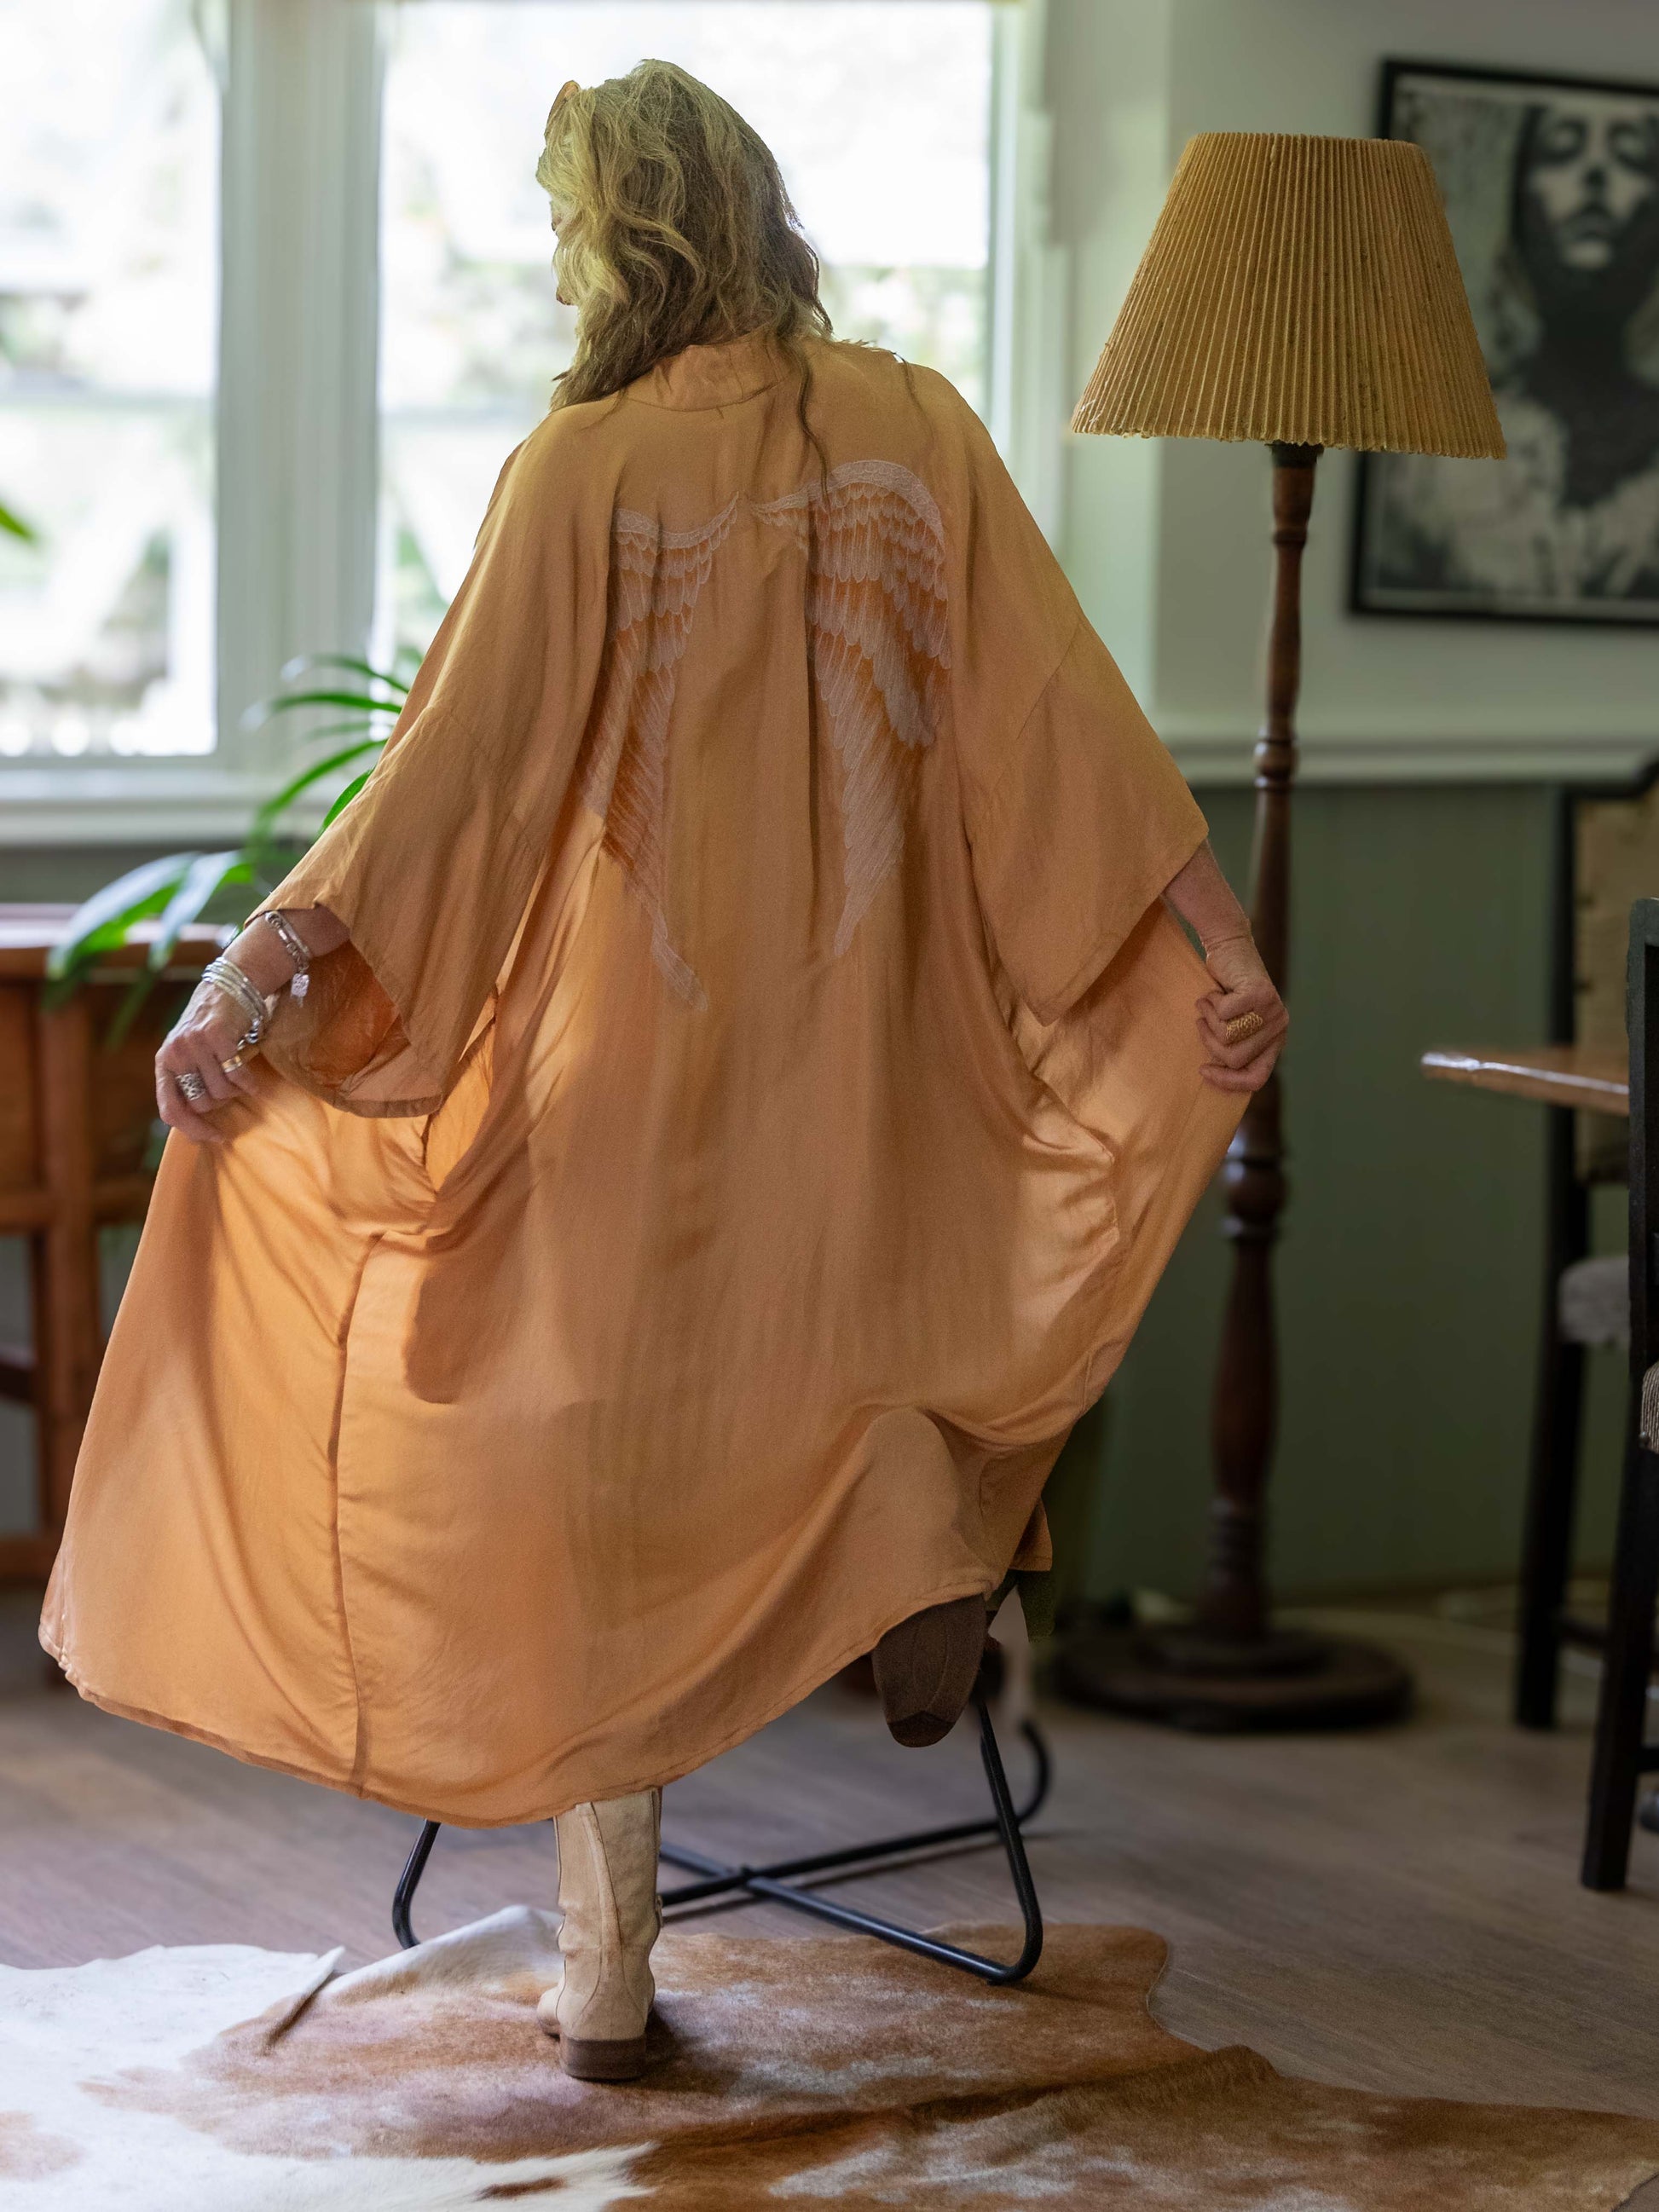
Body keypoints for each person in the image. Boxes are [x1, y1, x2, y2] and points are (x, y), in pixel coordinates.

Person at [40, 61, 1286, 2082]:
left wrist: (248, 985)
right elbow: (1059, 726)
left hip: (633, 1096)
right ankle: (935, 1560)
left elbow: (448, 789)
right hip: (883, 1101)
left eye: (562, 228)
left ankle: (608, 1976)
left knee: (576, 1472)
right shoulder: (915, 426)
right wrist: (1222, 955)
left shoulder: (586, 470)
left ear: (616, 231)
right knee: (887, 1348)